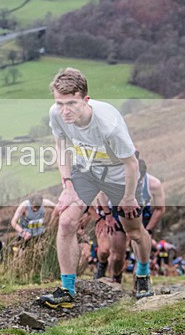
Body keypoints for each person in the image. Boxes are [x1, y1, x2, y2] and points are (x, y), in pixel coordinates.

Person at [39, 68, 154, 309]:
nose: (64, 110)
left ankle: (142, 274)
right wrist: (68, 185)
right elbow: (60, 149)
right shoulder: (57, 114)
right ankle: (67, 290)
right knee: (67, 222)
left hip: (120, 175)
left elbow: (131, 163)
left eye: (71, 103)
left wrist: (129, 197)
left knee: (133, 231)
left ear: (85, 100)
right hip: (87, 170)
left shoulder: (108, 125)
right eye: (60, 103)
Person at [94, 171, 165, 283]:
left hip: (141, 214)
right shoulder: (113, 179)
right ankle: (116, 277)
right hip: (116, 211)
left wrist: (149, 230)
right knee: (116, 255)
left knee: (139, 247)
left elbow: (160, 209)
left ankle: (140, 281)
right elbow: (101, 195)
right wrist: (108, 216)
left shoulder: (153, 184)